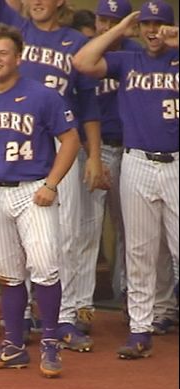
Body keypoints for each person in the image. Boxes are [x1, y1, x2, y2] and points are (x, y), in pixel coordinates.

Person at [0, 23, 81, 378]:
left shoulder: (42, 95)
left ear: (18, 57)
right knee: (9, 275)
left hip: (34, 190)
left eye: (3, 53)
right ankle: (13, 345)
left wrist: (53, 184)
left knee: (44, 267)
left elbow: (70, 140)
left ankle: (51, 344)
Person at [0, 0, 102, 353]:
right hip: (15, 137)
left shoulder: (73, 40)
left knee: (66, 237)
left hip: (60, 138)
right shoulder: (16, 29)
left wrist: (93, 155)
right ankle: (25, 319)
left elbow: (88, 103)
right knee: (15, 245)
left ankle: (64, 318)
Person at [72, 1, 179, 359]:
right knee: (139, 250)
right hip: (136, 162)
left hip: (176, 164)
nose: (152, 31)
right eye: (146, 24)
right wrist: (120, 29)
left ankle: (157, 316)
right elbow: (82, 62)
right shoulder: (127, 60)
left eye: (158, 24)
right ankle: (140, 330)